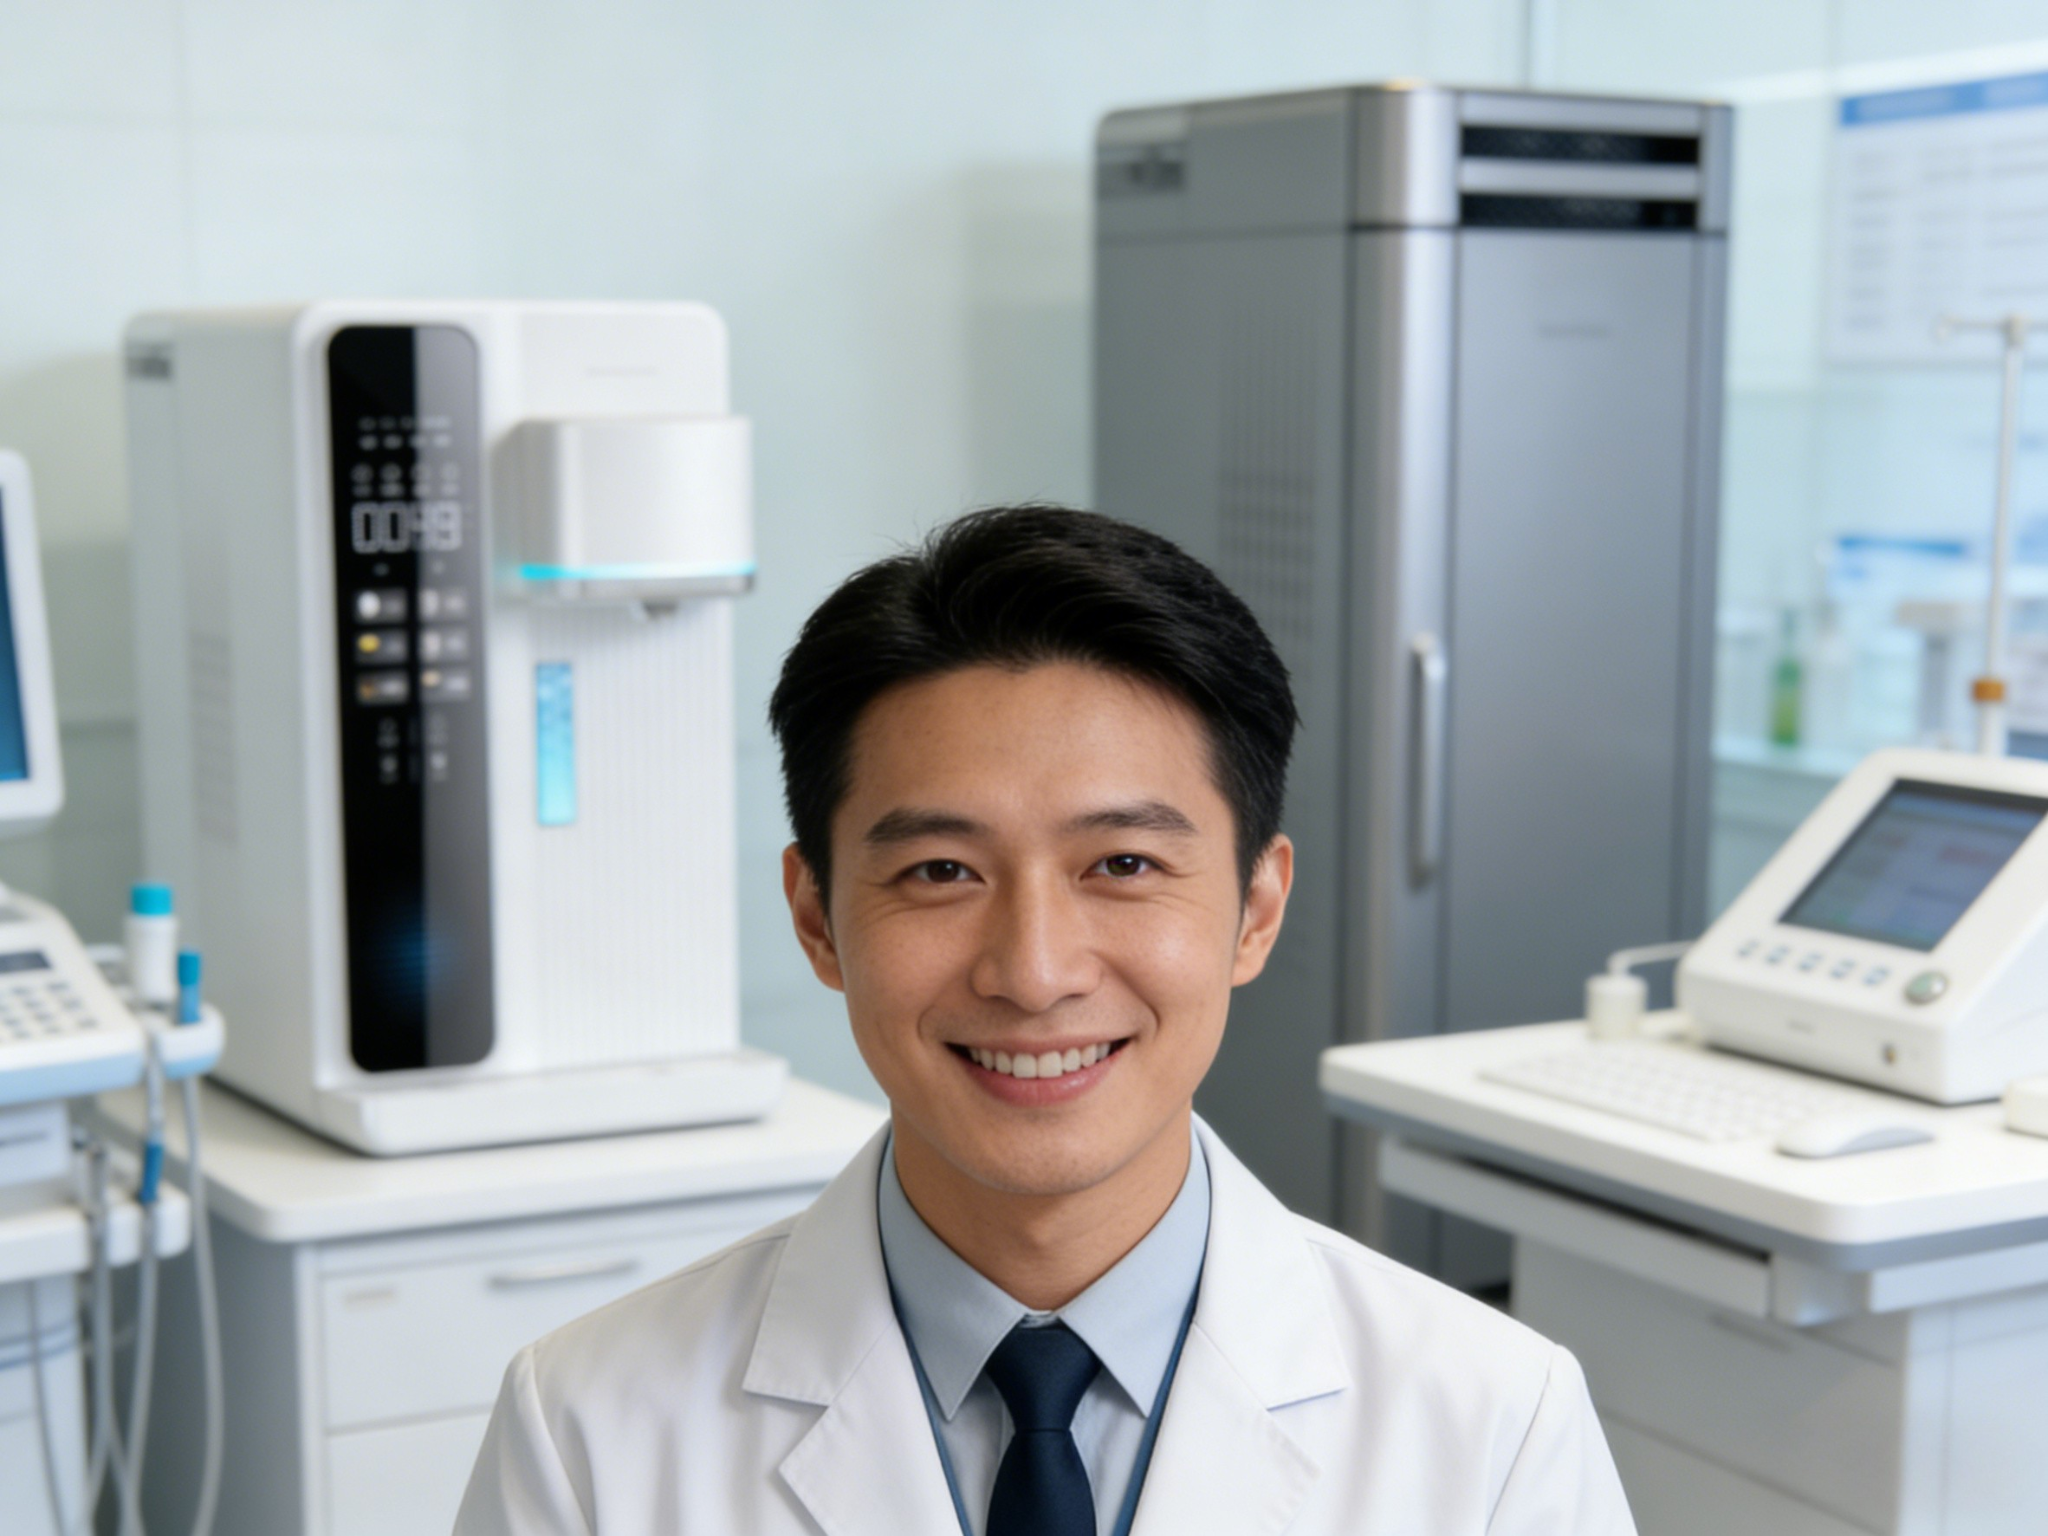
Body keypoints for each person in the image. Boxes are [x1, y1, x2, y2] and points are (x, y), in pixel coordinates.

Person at [454, 505, 1636, 1535]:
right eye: (937, 872)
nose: (1032, 972)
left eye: (1120, 862)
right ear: (816, 920)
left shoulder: (1491, 1423)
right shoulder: (588, 1428)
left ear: (1253, 911)